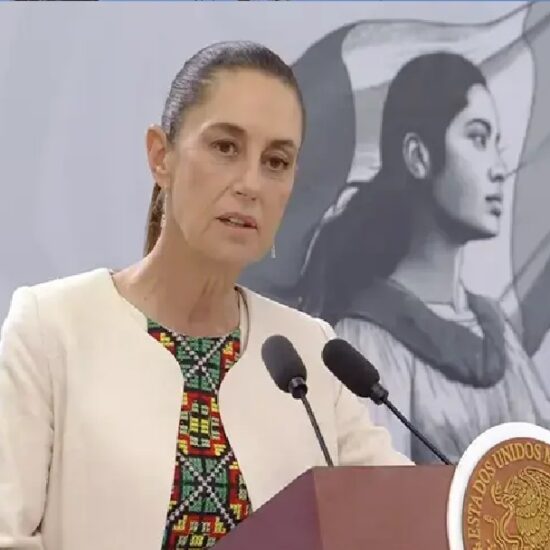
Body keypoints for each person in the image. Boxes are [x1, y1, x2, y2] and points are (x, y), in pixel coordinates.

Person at [0, 41, 409, 550]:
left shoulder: (310, 352)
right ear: (161, 156)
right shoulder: (50, 327)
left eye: (276, 161)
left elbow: (408, 515)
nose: (251, 184)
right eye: (225, 148)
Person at [294, 52, 550, 464]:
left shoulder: (497, 332)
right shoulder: (366, 341)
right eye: (478, 138)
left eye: (496, 145)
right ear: (418, 156)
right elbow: (375, 491)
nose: (499, 168)